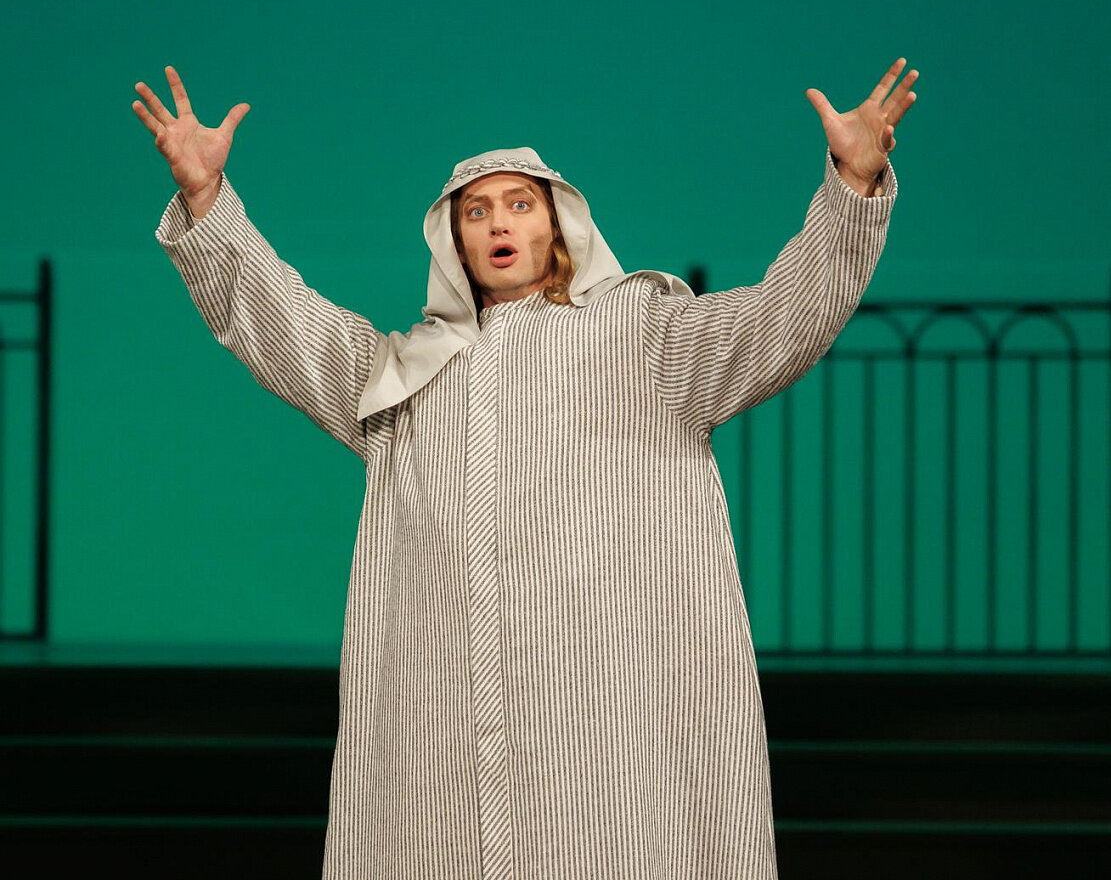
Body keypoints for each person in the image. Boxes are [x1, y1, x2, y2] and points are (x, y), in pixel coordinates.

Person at [134, 59, 917, 880]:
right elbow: (280, 321)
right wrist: (206, 200)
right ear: (454, 242)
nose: (497, 222)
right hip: (441, 731)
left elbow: (779, 319)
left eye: (518, 203)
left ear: (558, 226)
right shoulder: (404, 375)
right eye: (475, 211)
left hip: (607, 733)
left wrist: (850, 187)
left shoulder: (642, 335)